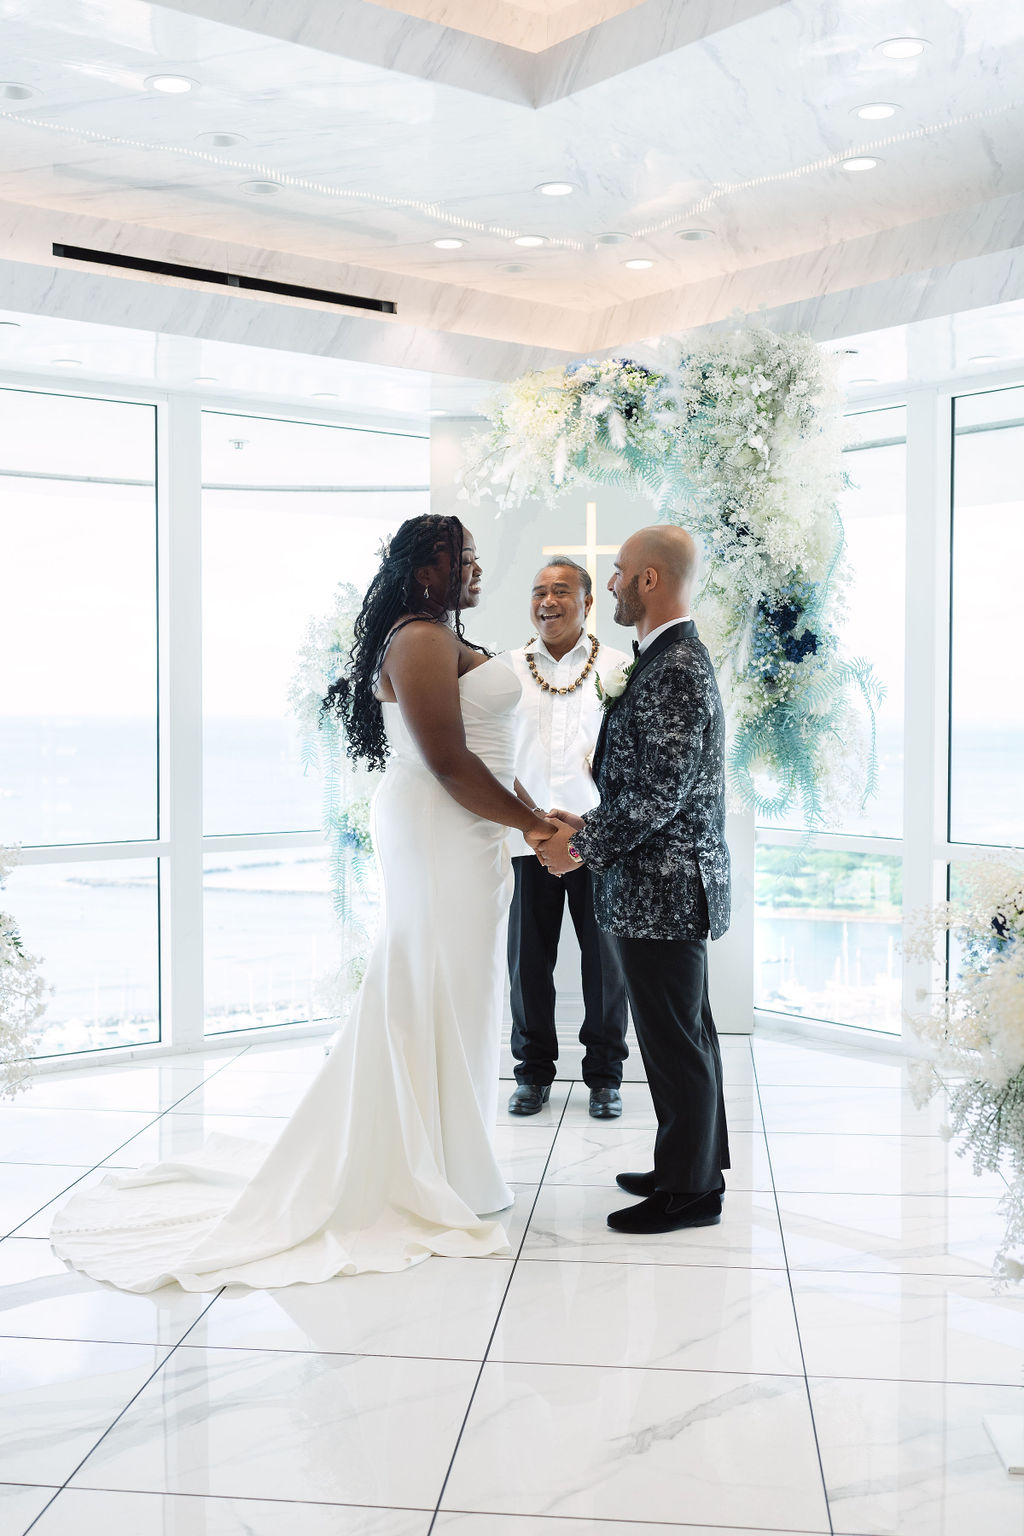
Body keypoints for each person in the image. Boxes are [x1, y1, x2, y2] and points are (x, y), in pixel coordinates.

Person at [51, 515, 558, 1290]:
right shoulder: (418, 638)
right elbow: (449, 761)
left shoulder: (442, 634)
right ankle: (422, 1169)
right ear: (427, 569)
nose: (479, 570)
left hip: (472, 834)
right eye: (467, 560)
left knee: (461, 990)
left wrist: (539, 822)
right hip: (436, 827)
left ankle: (456, 1163)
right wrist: (530, 825)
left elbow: (490, 754)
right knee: (435, 986)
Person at [537, 524, 731, 1235]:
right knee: (683, 1036)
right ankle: (689, 1163)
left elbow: (660, 795)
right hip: (659, 884)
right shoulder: (665, 658)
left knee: (676, 1043)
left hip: (665, 891)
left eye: (618, 573)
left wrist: (578, 848)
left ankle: (691, 1193)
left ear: (651, 579)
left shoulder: (675, 665)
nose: (610, 584)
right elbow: (644, 781)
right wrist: (585, 815)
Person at [504, 556, 630, 1119]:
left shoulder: (620, 668)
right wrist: (533, 823)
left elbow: (628, 763)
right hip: (527, 838)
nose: (547, 602)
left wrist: (588, 834)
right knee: (528, 962)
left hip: (596, 840)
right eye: (538, 592)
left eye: (560, 592)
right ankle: (532, 1074)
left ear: (586, 603)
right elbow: (495, 754)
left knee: (605, 966)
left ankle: (605, 1076)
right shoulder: (507, 669)